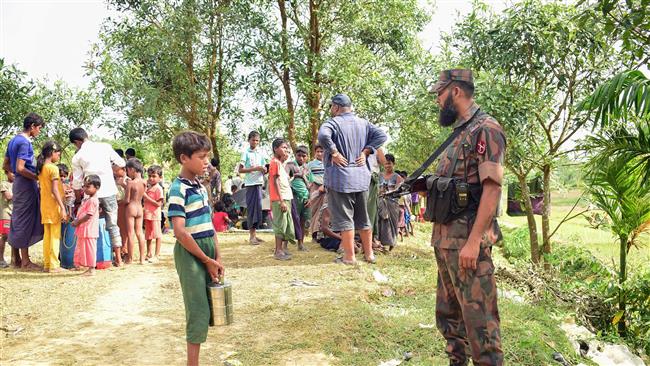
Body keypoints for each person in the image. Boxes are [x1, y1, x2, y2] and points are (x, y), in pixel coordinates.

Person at [429, 69, 506, 365]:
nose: (437, 99)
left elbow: (491, 188)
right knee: (451, 321)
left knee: (481, 327)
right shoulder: (460, 131)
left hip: (466, 246)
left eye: (440, 93)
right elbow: (458, 184)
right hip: (446, 243)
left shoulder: (486, 129)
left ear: (456, 91)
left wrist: (474, 243)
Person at [167, 131, 224, 366]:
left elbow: (209, 224)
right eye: (201, 157)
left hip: (208, 249)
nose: (206, 162)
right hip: (190, 253)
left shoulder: (200, 186)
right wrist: (205, 260)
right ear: (184, 158)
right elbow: (180, 232)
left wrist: (217, 256)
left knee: (212, 306)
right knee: (198, 309)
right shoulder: (177, 189)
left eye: (207, 157)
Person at [317, 93, 387, 264]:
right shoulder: (363, 123)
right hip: (361, 179)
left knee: (345, 218)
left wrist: (334, 152)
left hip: (340, 179)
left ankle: (349, 257)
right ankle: (369, 255)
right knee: (364, 218)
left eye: (331, 107)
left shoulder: (332, 123)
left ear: (336, 107)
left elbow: (323, 136)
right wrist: (366, 151)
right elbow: (382, 135)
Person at [70, 127, 126, 266]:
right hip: (108, 191)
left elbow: (77, 183)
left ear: (77, 142)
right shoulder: (105, 147)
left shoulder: (78, 156)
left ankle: (88, 260)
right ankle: (118, 259)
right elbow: (122, 163)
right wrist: (109, 170)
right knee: (112, 225)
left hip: (90, 195)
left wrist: (78, 200)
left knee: (87, 225)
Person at [3, 112, 45, 269]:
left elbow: (6, 165)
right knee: (24, 221)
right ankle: (25, 260)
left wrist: (16, 174)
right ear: (32, 126)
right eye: (39, 128)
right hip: (26, 185)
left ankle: (16, 258)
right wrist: (37, 177)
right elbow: (20, 168)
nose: (39, 131)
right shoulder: (25, 143)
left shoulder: (13, 140)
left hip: (19, 185)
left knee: (18, 219)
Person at [36, 141, 68, 273]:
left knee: (48, 236)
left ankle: (47, 264)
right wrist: (63, 207)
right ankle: (54, 265)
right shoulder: (53, 169)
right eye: (58, 153)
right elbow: (55, 190)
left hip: (45, 206)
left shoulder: (42, 167)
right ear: (52, 153)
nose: (59, 155)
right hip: (54, 206)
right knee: (55, 235)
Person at [238, 131, 267, 245]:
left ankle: (255, 234)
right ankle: (251, 236)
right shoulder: (245, 153)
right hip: (250, 184)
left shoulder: (261, 153)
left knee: (258, 209)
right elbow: (240, 170)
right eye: (253, 140)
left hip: (259, 183)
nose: (255, 142)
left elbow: (264, 167)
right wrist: (255, 168)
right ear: (249, 140)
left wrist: (264, 169)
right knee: (251, 209)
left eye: (257, 140)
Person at [268, 138, 294, 260]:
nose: (286, 150)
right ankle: (278, 251)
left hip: (285, 197)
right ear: (275, 149)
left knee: (286, 223)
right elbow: (275, 181)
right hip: (280, 199)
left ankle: (282, 249)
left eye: (286, 147)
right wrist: (281, 200)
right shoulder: (274, 163)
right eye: (283, 147)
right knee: (280, 224)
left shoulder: (280, 163)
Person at [72, 175, 101, 276]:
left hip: (89, 230)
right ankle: (83, 266)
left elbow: (89, 215)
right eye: (84, 186)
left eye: (88, 186)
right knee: (83, 248)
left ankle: (91, 268)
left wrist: (78, 222)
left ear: (96, 187)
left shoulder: (93, 200)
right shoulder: (88, 199)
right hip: (85, 229)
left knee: (90, 249)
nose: (85, 188)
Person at [286, 145, 311, 251]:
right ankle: (284, 245)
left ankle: (301, 244)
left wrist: (310, 198)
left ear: (307, 157)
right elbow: (285, 178)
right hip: (294, 196)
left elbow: (311, 184)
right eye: (299, 155)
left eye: (303, 156)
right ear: (295, 155)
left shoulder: (307, 168)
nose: (301, 158)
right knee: (290, 220)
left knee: (302, 220)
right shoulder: (290, 165)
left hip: (306, 198)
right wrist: (294, 177)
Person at [377, 154, 403, 249]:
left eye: (389, 163)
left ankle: (391, 243)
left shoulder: (397, 177)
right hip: (380, 202)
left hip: (392, 203)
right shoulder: (379, 175)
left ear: (393, 164)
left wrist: (390, 192)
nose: (387, 166)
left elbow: (400, 191)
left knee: (392, 222)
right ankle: (380, 242)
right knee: (381, 221)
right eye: (385, 164)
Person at [125, 158, 147, 264]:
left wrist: (119, 202)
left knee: (130, 234)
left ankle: (130, 258)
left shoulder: (130, 183)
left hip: (131, 208)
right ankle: (142, 259)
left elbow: (127, 200)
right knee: (140, 233)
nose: (127, 173)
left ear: (132, 169)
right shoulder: (144, 182)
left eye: (127, 170)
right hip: (140, 208)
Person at [144, 165, 164, 262]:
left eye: (154, 176)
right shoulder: (147, 188)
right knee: (148, 235)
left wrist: (147, 198)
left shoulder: (158, 189)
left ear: (160, 178)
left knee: (157, 235)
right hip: (147, 214)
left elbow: (158, 204)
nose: (151, 178)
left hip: (155, 215)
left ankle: (157, 255)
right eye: (149, 176)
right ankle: (149, 253)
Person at [0, 168, 14, 268]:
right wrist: (21, 194)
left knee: (14, 236)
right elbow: (8, 196)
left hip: (15, 214)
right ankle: (1, 259)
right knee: (5, 236)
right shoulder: (3, 184)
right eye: (11, 172)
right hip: (6, 214)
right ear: (6, 172)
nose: (14, 174)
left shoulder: (17, 184)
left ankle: (14, 258)